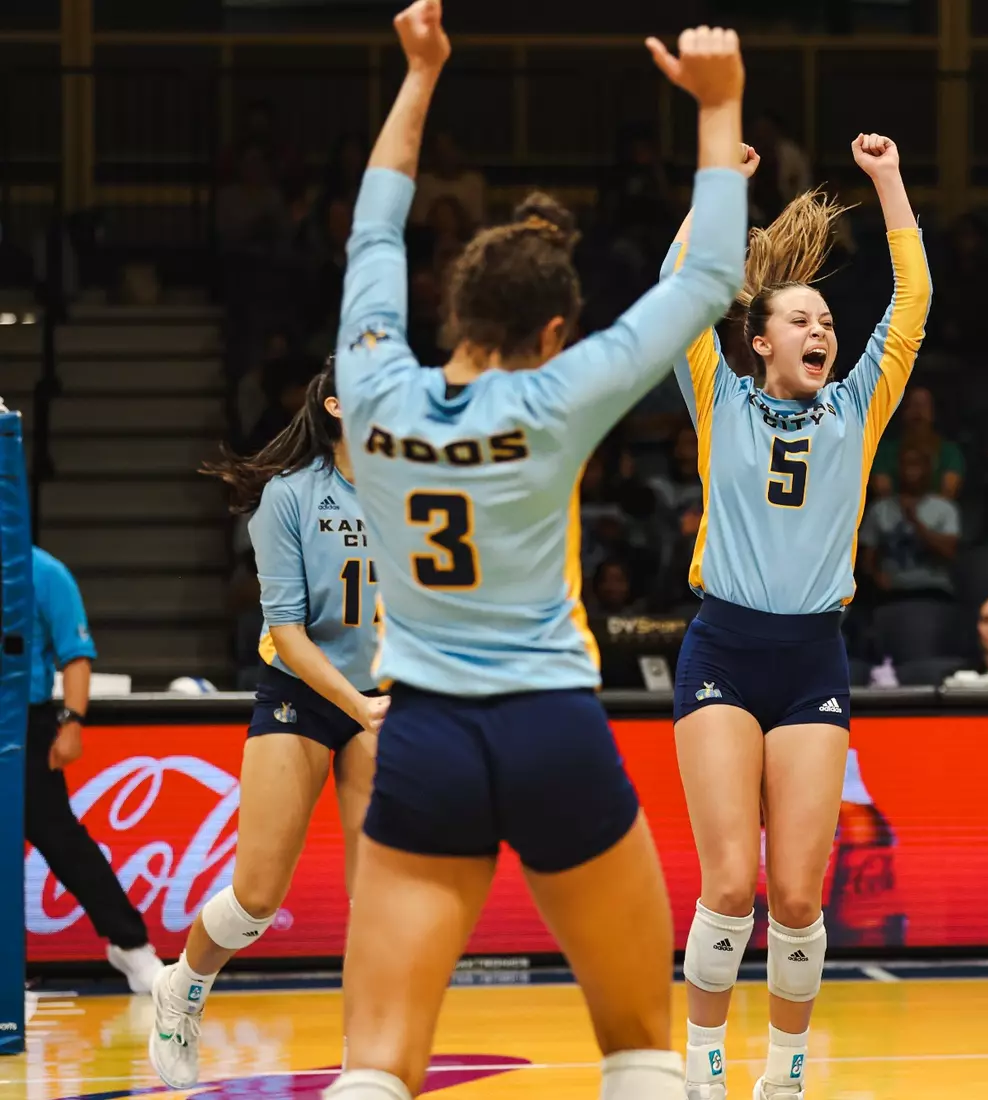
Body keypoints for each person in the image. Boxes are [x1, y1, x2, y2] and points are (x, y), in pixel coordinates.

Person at [315, 9, 748, 1100]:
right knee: (642, 1042)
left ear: (449, 303)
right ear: (553, 332)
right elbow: (704, 287)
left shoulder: (367, 380)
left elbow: (375, 225)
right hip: (553, 725)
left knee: (376, 1064)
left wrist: (420, 74)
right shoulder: (557, 397)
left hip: (422, 737)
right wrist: (717, 107)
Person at [660, 127, 927, 1100]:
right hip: (724, 647)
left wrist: (889, 181)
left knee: (801, 894)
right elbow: (678, 281)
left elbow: (912, 308)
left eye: (827, 319)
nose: (822, 329)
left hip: (814, 654)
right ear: (759, 337)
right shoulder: (716, 392)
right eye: (801, 318)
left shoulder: (858, 406)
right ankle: (701, 1061)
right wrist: (718, 192)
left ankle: (788, 1070)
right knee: (730, 886)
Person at [149, 363, 387, 1087]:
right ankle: (181, 988)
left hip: (384, 694)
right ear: (338, 405)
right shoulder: (287, 497)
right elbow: (286, 634)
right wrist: (358, 706)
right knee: (257, 895)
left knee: (376, 898)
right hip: (303, 692)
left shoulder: (416, 487)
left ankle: (364, 1065)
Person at [25, 547, 164, 995]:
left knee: (62, 841)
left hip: (24, 724)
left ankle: (131, 944)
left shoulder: (44, 573)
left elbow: (75, 655)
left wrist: (72, 721)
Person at [858, 447, 960, 603]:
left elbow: (949, 553)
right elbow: (866, 559)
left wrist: (916, 523)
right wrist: (876, 575)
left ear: (928, 470)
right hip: (890, 592)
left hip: (933, 590)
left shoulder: (945, 508)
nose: (911, 470)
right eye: (906, 464)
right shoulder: (879, 509)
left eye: (917, 464)